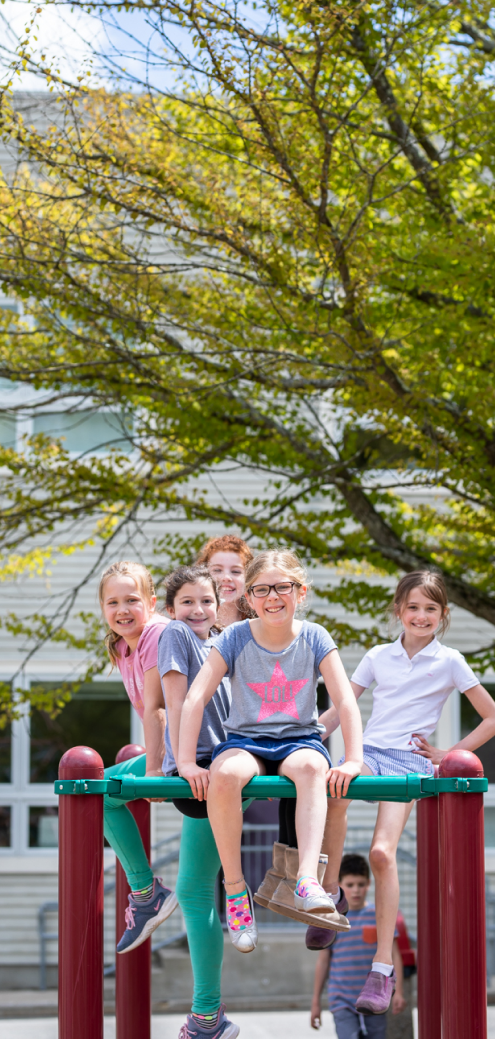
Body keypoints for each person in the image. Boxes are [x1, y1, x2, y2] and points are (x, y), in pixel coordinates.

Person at [315, 569, 495, 1014]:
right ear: (399, 611)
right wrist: (310, 735)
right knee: (334, 792)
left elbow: (491, 717)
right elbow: (343, 705)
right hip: (370, 751)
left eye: (430, 609)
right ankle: (331, 891)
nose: (420, 615)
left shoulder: (450, 661)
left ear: (442, 615)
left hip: (409, 762)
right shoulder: (378, 655)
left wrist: (448, 753)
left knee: (381, 853)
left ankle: (381, 969)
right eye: (412, 607)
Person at [178, 549, 363, 954]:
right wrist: (187, 761)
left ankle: (308, 879)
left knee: (314, 767)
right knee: (225, 775)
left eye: (282, 587)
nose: (272, 597)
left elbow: (345, 700)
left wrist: (352, 758)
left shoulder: (315, 636)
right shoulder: (235, 637)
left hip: (299, 738)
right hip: (246, 740)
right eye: (261, 589)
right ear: (249, 596)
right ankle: (235, 889)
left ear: (300, 591)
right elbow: (194, 699)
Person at [159, 557, 252, 1039]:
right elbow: (176, 702)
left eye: (205, 602)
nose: (197, 609)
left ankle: (208, 1016)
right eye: (187, 602)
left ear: (219, 608)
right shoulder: (176, 635)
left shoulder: (221, 643)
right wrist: (181, 762)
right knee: (198, 887)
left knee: (197, 888)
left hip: (220, 764)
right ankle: (208, 1015)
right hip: (201, 764)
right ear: (170, 608)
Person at [99, 560, 178, 954]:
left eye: (131, 599)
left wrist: (154, 768)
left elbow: (157, 707)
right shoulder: (120, 647)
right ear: (102, 610)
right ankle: (147, 894)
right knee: (97, 793)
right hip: (181, 747)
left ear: (150, 602)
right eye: (112, 602)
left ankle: (146, 894)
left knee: (99, 792)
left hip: (199, 750)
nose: (122, 610)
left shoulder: (158, 635)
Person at [310, 854, 406, 1038]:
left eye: (361, 885)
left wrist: (399, 992)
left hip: (375, 998)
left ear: (369, 884)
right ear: (339, 884)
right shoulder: (333, 919)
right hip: (341, 999)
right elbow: (323, 962)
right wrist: (316, 1001)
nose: (356, 890)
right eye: (350, 885)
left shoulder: (381, 915)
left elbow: (395, 956)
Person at [196, 535, 255, 626]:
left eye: (235, 571)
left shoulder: (259, 624)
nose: (226, 578)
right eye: (217, 570)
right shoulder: (191, 623)